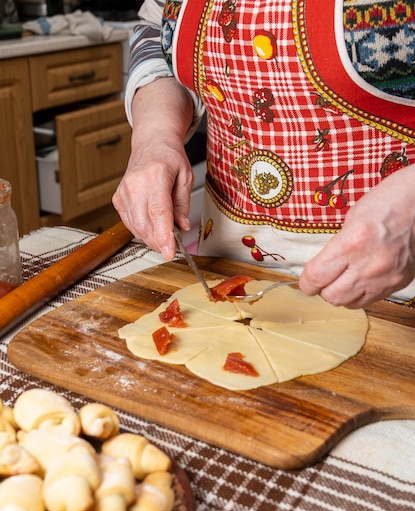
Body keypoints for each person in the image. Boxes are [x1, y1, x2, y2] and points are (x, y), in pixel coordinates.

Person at [113, 0, 415, 309]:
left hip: (400, 292)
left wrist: (410, 209)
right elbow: (156, 31)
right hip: (227, 274)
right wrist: (155, 138)